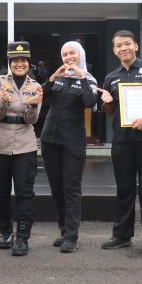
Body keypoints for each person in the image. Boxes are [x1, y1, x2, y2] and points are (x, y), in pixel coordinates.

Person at [98, 30, 142, 254]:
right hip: (122, 141)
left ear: (136, 45)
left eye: (127, 44)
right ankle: (122, 235)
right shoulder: (111, 77)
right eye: (119, 46)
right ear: (114, 50)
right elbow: (109, 112)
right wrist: (106, 101)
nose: (123, 48)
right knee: (124, 189)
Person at [0, 41, 43, 256]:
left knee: (24, 192)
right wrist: (3, 102)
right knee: (0, 191)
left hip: (25, 143)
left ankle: (22, 237)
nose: (19, 64)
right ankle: (6, 232)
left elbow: (31, 120)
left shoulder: (35, 87)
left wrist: (33, 105)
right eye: (15, 60)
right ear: (9, 63)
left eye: (23, 60)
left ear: (29, 63)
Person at [41, 41, 98, 253]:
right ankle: (64, 230)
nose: (68, 57)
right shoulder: (59, 78)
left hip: (72, 142)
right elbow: (39, 97)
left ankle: (72, 237)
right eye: (65, 54)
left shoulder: (89, 79)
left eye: (72, 53)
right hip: (50, 140)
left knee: (71, 189)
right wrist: (52, 78)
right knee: (56, 188)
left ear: (80, 54)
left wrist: (81, 77)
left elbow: (89, 102)